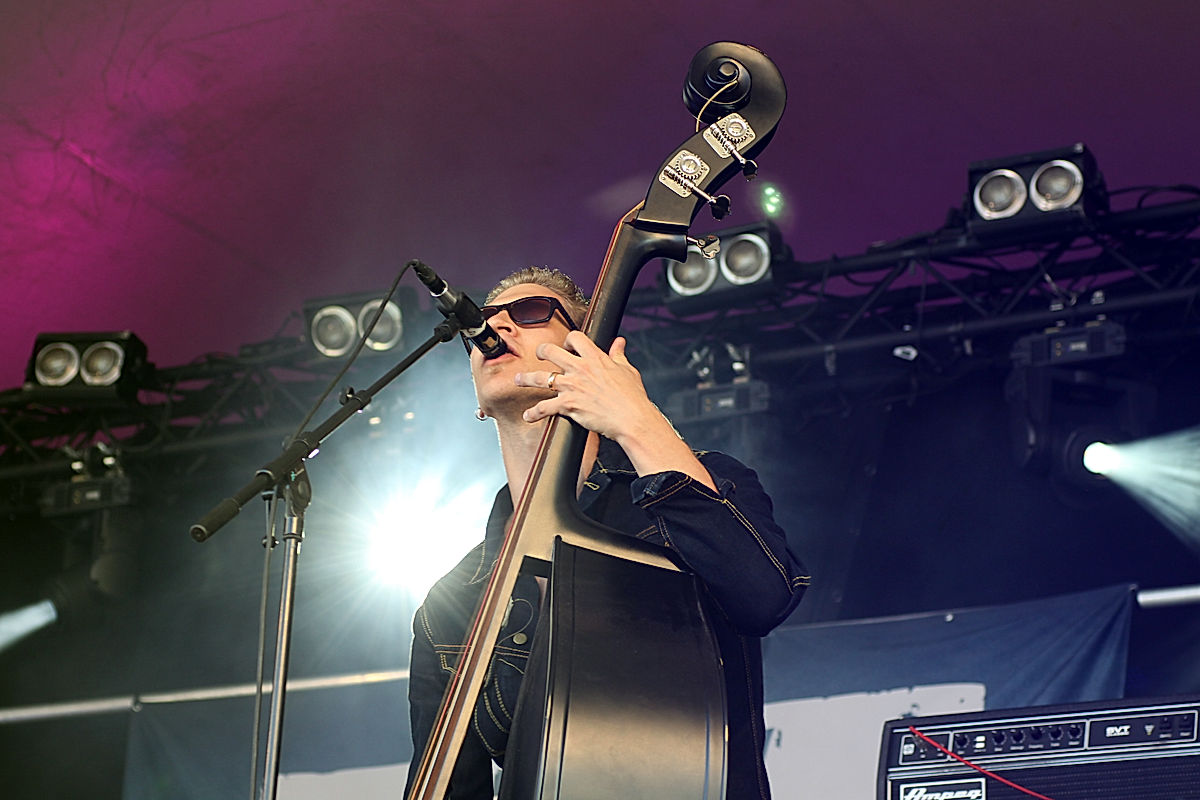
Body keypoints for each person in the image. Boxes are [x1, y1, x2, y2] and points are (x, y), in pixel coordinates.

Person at [405, 267, 809, 799]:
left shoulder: (700, 482)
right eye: (486, 317)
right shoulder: (451, 603)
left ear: (588, 355)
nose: (496, 324)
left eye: (529, 313)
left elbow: (764, 596)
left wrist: (636, 417)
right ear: (478, 400)